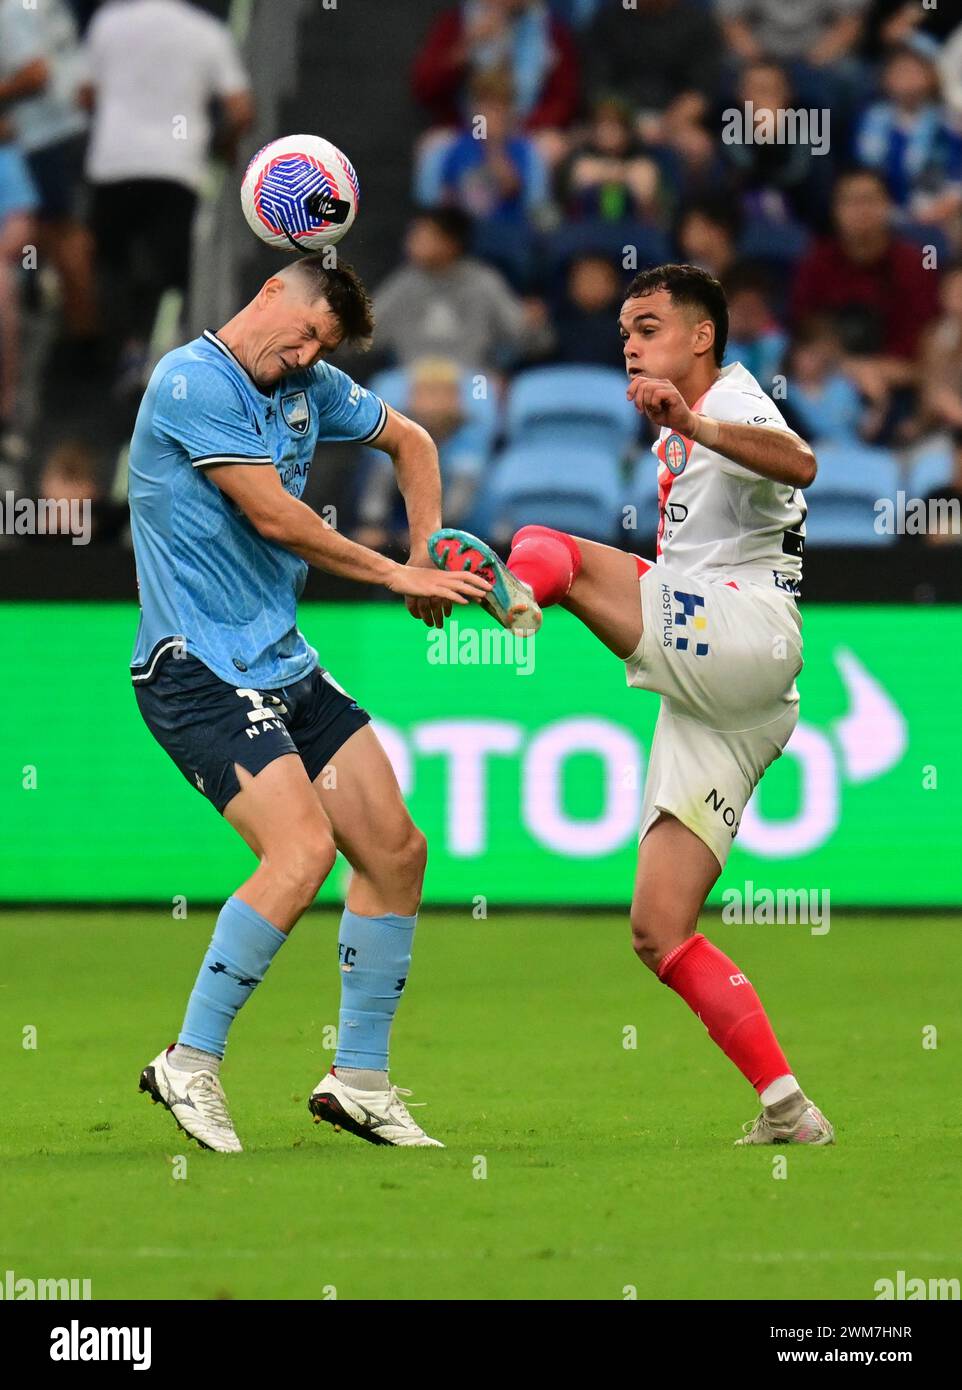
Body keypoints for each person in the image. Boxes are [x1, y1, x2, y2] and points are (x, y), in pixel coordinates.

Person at [428, 262, 835, 1146]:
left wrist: (695, 422)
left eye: (649, 327)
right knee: (658, 929)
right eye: (624, 333)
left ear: (702, 336)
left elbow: (802, 463)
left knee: (549, 545)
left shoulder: (732, 400)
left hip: (746, 629)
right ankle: (789, 1109)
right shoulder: (678, 429)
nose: (631, 345)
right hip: (734, 698)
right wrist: (682, 428)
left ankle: (517, 596)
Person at [128, 256, 490, 1153]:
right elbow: (276, 517)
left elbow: (415, 442)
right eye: (307, 336)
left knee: (397, 852)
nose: (307, 357)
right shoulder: (189, 381)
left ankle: (359, 1078)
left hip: (282, 663)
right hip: (194, 667)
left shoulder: (309, 386)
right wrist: (396, 573)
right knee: (301, 852)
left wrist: (427, 545)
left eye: (324, 348)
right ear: (270, 295)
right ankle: (189, 1061)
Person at [79, 0, 253, 388]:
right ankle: (163, 352)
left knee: (113, 264)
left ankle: (120, 352)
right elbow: (241, 110)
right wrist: (222, 147)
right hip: (178, 168)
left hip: (114, 163)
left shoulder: (108, 23)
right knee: (172, 267)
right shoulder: (207, 32)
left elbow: (86, 95)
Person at [0, 0, 97, 348]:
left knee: (63, 234)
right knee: (54, 232)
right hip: (67, 126)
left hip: (47, 136)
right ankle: (76, 324)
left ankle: (84, 338)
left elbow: (35, 73)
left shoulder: (9, 12)